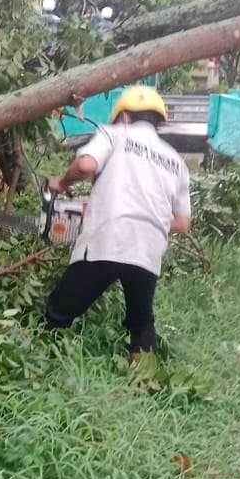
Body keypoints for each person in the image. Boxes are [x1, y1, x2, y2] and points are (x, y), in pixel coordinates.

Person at [43, 86, 192, 356]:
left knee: (58, 311)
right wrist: (148, 219)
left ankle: (40, 359)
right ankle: (144, 380)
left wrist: (61, 183)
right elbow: (182, 223)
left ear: (123, 116)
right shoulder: (176, 161)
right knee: (142, 324)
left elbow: (86, 166)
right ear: (158, 120)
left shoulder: (114, 133)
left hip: (107, 240)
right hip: (147, 249)